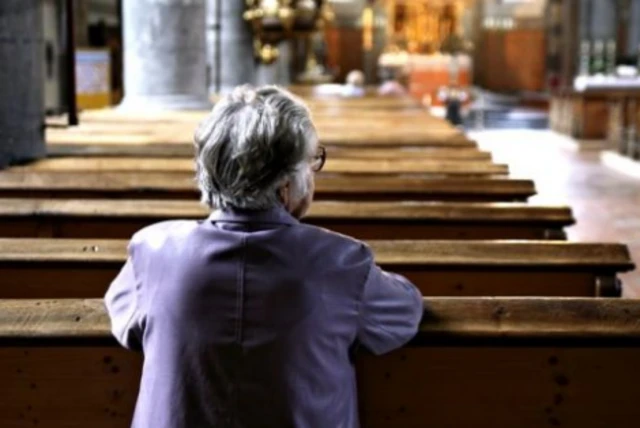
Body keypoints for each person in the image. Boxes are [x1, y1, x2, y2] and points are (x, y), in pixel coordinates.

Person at [105, 85, 423, 428]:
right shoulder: (342, 261)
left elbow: (125, 324)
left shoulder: (153, 251)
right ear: (286, 185)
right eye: (312, 162)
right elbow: (405, 311)